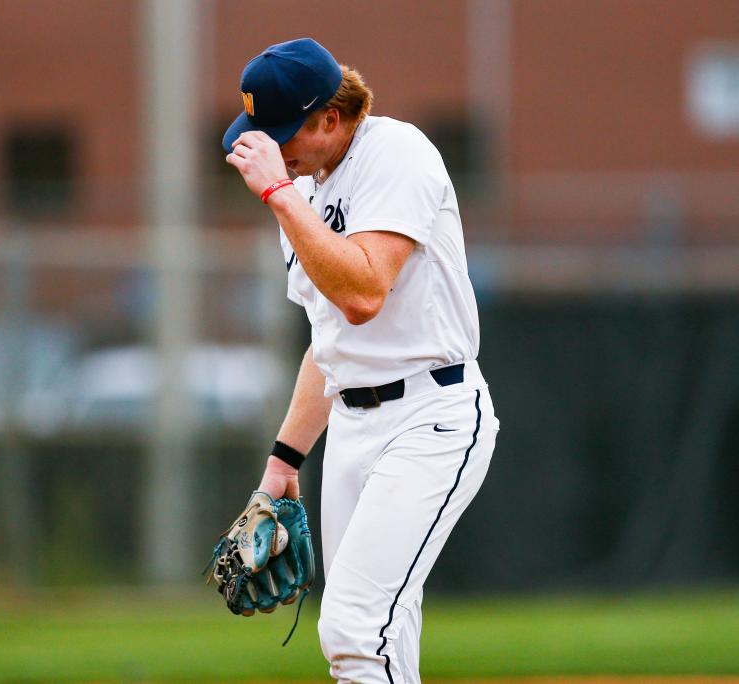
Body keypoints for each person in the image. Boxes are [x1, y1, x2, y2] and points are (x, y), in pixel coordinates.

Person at [222, 37, 500, 683]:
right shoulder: (304, 191)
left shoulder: (394, 152)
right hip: (351, 427)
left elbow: (363, 293)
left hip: (429, 415)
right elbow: (330, 343)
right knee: (382, 638)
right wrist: (283, 461)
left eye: (284, 130)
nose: (273, 147)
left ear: (330, 118)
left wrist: (279, 196)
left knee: (352, 629)